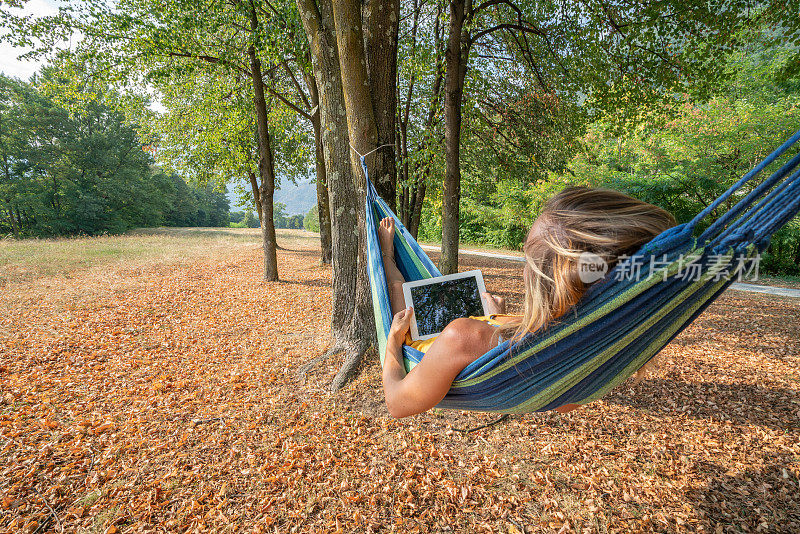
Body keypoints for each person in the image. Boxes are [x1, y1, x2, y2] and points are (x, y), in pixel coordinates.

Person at [379, 186, 676, 418]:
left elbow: (396, 402)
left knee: (398, 288)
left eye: (527, 257)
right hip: (494, 331)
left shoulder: (462, 336)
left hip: (422, 345)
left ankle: (387, 253)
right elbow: (564, 403)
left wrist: (392, 343)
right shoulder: (601, 347)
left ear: (550, 280)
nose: (524, 268)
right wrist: (497, 321)